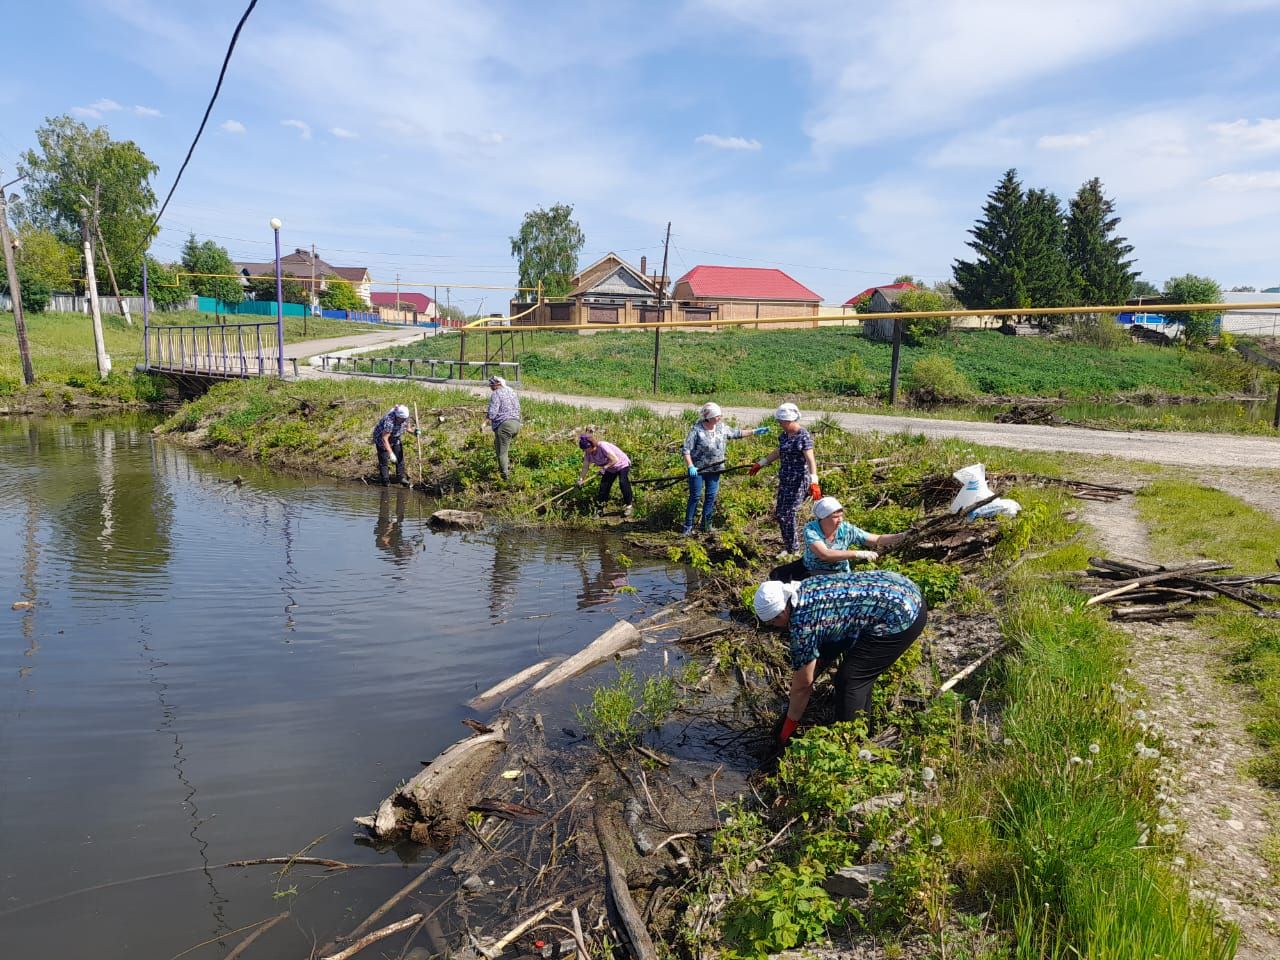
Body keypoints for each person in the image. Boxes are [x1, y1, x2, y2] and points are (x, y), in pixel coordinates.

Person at [753, 571, 928, 746]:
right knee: (857, 677)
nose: (773, 628)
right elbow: (838, 630)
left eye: (772, 623)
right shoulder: (804, 588)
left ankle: (852, 747)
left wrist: (787, 729)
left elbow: (802, 687)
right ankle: (865, 729)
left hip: (902, 615)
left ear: (782, 612)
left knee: (851, 680)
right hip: (904, 589)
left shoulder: (802, 625)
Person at [680, 401, 769, 535]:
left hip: (716, 469)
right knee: (695, 496)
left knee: (711, 496)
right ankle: (688, 526)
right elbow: (686, 450)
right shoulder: (697, 430)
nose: (719, 418)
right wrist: (691, 466)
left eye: (720, 415)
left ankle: (706, 525)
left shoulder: (721, 428)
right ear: (708, 417)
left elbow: (737, 433)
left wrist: (755, 431)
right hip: (698, 470)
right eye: (717, 416)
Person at [770, 496, 908, 582]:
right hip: (809, 564)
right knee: (776, 575)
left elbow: (876, 539)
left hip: (836, 571)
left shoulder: (846, 529)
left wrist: (901, 537)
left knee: (805, 582)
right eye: (835, 517)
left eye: (841, 515)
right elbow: (825, 554)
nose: (840, 520)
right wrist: (857, 553)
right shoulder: (811, 529)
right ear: (823, 518)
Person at [748, 403, 820, 556]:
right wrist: (761, 463)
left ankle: (793, 550)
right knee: (780, 513)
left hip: (798, 481)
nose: (780, 424)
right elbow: (779, 451)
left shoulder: (803, 435)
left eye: (781, 421)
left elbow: (810, 460)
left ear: (789, 420)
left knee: (787, 513)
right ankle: (789, 547)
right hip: (785, 480)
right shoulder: (784, 435)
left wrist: (814, 481)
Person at [576, 433, 634, 517]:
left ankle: (629, 506)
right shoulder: (588, 454)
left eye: (586, 449)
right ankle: (600, 510)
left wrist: (604, 467)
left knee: (623, 482)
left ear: (592, 445)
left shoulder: (602, 446)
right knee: (603, 488)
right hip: (610, 469)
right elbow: (585, 467)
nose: (585, 451)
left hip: (621, 464)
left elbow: (614, 459)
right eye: (583, 449)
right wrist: (581, 479)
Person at [485, 375, 522, 481]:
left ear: (498, 385)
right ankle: (507, 469)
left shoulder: (496, 394)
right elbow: (518, 408)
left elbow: (492, 412)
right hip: (516, 424)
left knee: (502, 452)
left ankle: (505, 478)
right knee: (500, 446)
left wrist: (484, 423)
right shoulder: (512, 392)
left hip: (504, 425)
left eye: (492, 385)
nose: (491, 387)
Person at [371, 404, 416, 486]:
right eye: (402, 419)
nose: (404, 421)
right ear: (398, 417)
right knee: (384, 460)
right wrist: (391, 454)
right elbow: (385, 439)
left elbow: (408, 429)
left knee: (399, 457)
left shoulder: (405, 418)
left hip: (395, 438)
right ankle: (385, 480)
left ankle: (400, 477)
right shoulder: (390, 421)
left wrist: (414, 432)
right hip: (382, 439)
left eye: (405, 419)